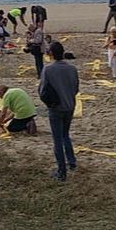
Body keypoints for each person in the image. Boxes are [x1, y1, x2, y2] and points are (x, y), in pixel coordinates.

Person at [39, 41, 79, 181]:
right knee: (65, 135)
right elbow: (76, 89)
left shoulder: (48, 69)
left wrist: (50, 102)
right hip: (70, 106)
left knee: (57, 139)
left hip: (56, 108)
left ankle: (61, 172)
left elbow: (42, 90)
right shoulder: (72, 69)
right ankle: (72, 162)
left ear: (51, 54)